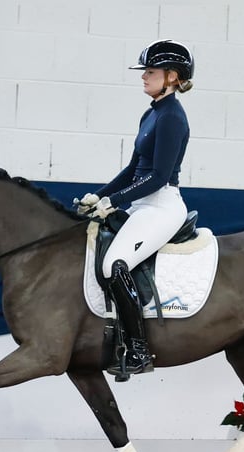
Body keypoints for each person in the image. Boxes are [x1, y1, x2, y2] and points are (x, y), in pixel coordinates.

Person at [77, 39, 194, 377]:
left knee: (115, 263)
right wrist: (97, 197)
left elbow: (157, 177)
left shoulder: (172, 117)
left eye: (151, 71)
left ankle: (139, 350)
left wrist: (113, 201)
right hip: (142, 202)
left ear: (172, 77)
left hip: (162, 204)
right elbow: (132, 170)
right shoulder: (152, 113)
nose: (144, 77)